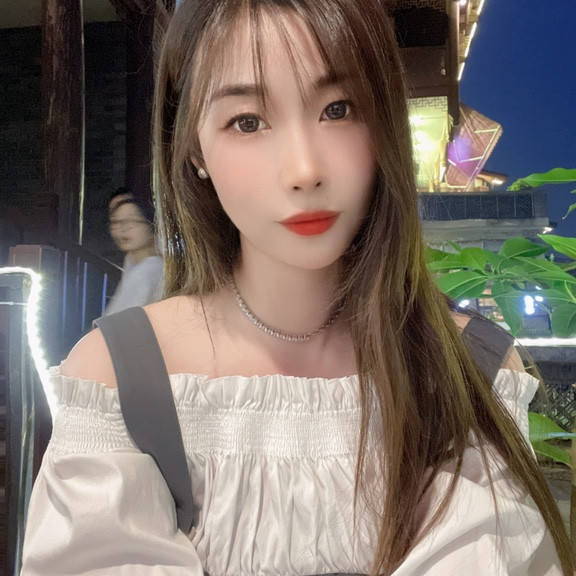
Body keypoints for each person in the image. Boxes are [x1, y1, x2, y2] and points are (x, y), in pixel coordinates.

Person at [21, 0, 572, 574]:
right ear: (194, 149)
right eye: (247, 122)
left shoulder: (469, 371)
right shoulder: (119, 380)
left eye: (338, 109)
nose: (305, 170)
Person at [104, 194, 164, 315]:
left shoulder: (148, 270)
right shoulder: (131, 259)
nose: (122, 229)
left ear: (150, 224)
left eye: (130, 221)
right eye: (116, 222)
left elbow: (117, 321)